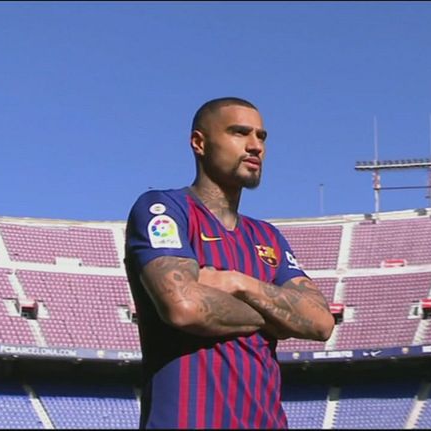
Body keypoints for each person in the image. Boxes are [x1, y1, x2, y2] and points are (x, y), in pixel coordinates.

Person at [124, 97, 335, 429]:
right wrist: (277, 319)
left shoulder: (268, 237)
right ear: (199, 143)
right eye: (239, 132)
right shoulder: (164, 209)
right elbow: (184, 307)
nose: (255, 146)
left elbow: (321, 323)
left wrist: (239, 283)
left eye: (261, 136)